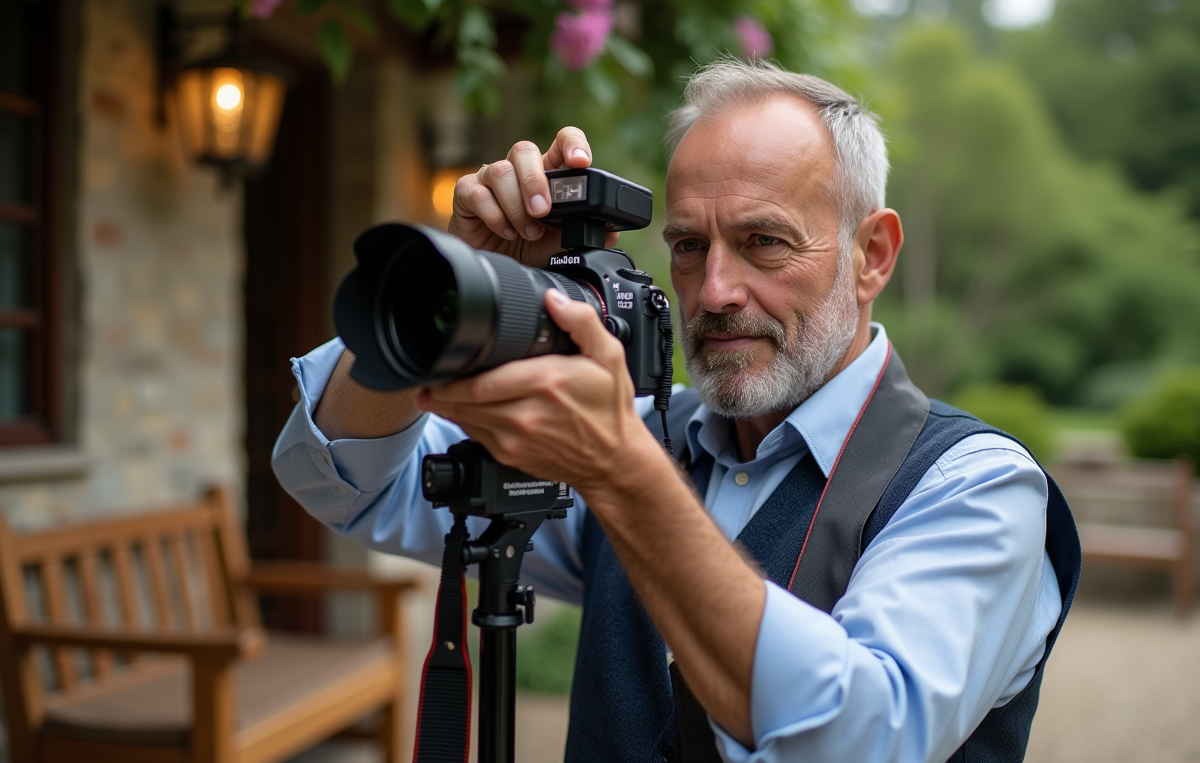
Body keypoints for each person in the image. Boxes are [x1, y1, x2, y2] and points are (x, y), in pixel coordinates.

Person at [272, 59, 1079, 763]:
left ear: (872, 256)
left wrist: (625, 476)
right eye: (689, 246)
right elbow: (349, 480)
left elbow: (864, 738)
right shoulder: (652, 434)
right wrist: (452, 283)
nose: (716, 292)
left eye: (765, 242)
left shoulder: (975, 487)